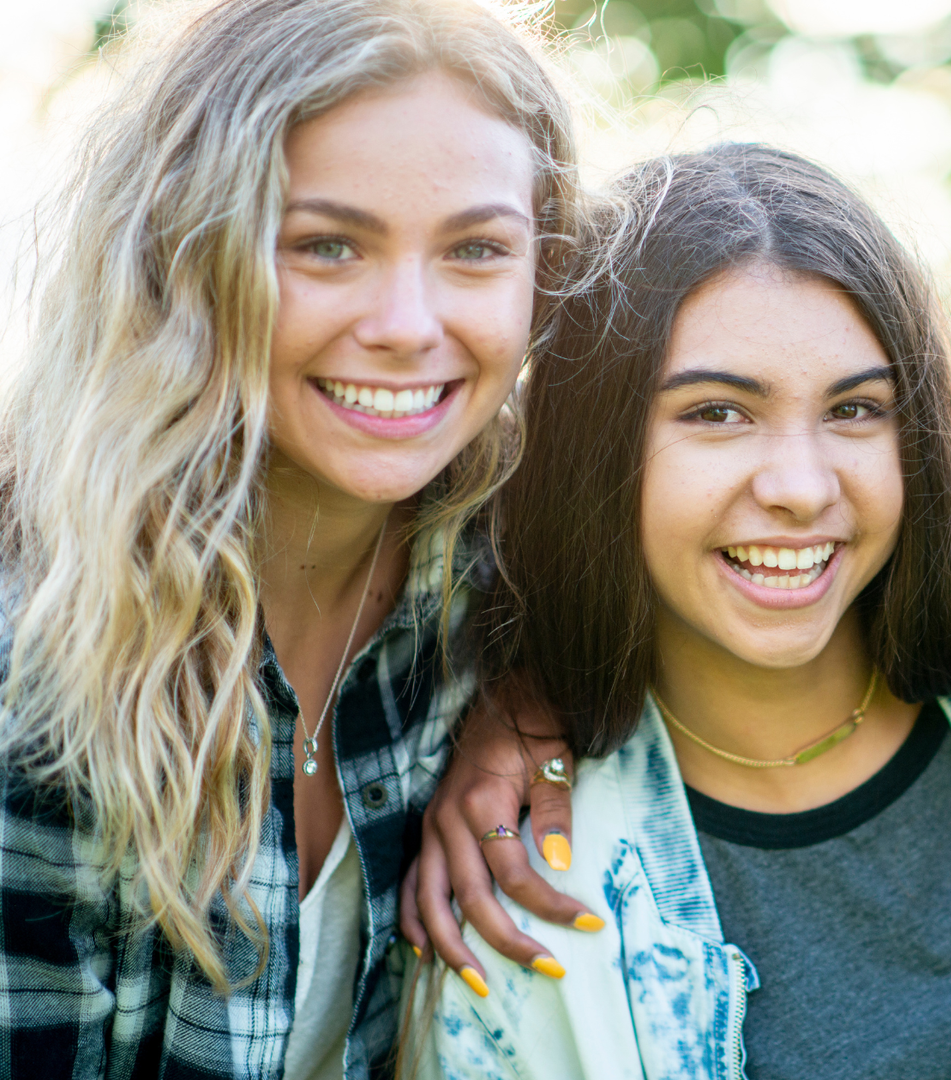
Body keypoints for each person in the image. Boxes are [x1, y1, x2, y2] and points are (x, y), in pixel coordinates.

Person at [414, 144, 951, 1080]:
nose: (802, 489)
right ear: (598, 447)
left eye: (855, 410)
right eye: (716, 413)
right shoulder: (529, 880)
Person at [0, 1, 578, 1076]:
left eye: (477, 249)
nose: (409, 322)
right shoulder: (35, 653)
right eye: (327, 244)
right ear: (184, 253)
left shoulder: (497, 579)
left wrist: (530, 701)